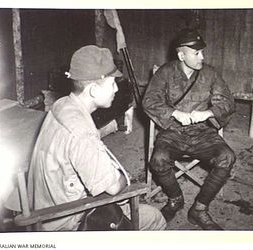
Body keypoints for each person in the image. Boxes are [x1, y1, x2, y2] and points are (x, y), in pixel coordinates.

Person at [27, 45, 166, 231]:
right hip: (66, 222)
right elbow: (114, 188)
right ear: (92, 90)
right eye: (112, 84)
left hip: (44, 205)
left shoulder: (61, 104)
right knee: (154, 218)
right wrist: (125, 177)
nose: (116, 89)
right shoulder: (83, 133)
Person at [142, 28, 236, 230]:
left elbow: (228, 102)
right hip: (172, 132)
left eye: (202, 52)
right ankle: (176, 198)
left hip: (204, 133)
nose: (202, 57)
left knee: (227, 157)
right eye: (196, 53)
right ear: (181, 55)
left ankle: (199, 209)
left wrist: (208, 113)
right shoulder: (165, 72)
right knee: (158, 160)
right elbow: (149, 101)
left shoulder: (210, 74)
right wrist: (175, 114)